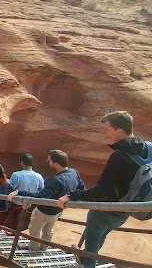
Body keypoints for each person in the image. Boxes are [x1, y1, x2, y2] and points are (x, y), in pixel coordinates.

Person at [57, 111, 151, 267]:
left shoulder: (119, 156)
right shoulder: (149, 148)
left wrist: (71, 196)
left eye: (108, 130)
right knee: (101, 236)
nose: (106, 133)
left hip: (106, 209)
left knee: (92, 243)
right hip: (126, 210)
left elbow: (102, 190)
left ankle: (87, 262)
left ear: (120, 131)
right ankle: (84, 260)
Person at [8, 150, 84, 251]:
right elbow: (82, 189)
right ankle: (44, 248)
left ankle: (33, 249)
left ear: (56, 164)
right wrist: (69, 198)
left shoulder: (55, 180)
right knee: (48, 230)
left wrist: (19, 192)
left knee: (34, 229)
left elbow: (40, 196)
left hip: (44, 211)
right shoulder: (74, 173)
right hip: (58, 210)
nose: (47, 162)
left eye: (49, 161)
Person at [7, 153, 44, 231]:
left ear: (22, 162)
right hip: (28, 203)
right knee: (19, 218)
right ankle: (15, 233)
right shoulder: (39, 176)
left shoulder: (16, 175)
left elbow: (10, 188)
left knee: (4, 215)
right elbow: (41, 189)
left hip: (14, 202)